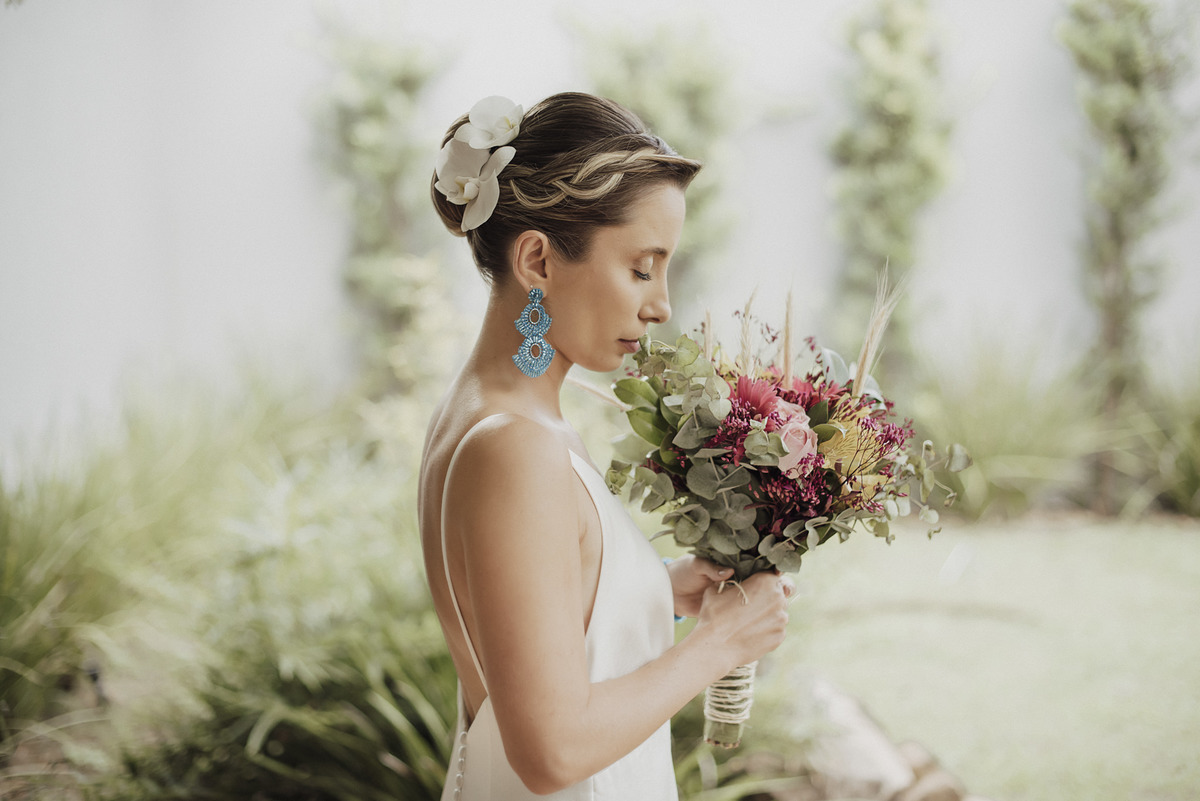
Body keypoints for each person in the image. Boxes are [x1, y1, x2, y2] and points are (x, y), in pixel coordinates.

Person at [418, 92, 792, 801]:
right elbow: (553, 749)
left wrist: (656, 589)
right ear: (538, 259)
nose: (661, 304)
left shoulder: (481, 413)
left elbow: (531, 631)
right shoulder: (515, 446)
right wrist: (720, 644)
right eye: (642, 267)